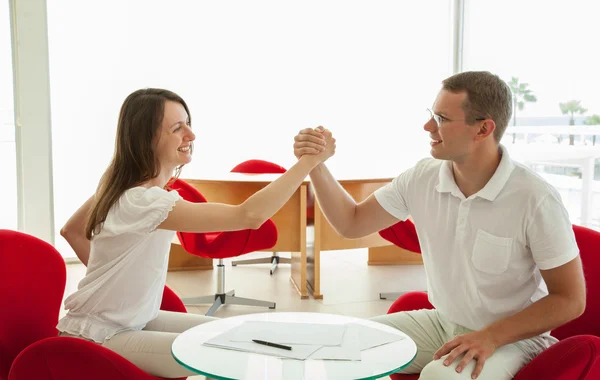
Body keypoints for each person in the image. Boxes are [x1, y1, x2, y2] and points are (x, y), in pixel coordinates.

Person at [292, 71, 586, 380]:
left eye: (442, 119)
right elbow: (351, 223)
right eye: (432, 115)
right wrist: (317, 165)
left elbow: (570, 299)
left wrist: (491, 337)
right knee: (336, 342)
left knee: (441, 376)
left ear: (483, 129)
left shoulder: (535, 198)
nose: (428, 126)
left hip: (514, 339)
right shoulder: (423, 176)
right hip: (443, 324)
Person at [58, 88, 333, 378]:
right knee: (231, 351)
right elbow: (249, 216)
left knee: (233, 332)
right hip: (101, 334)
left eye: (188, 124)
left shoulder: (120, 186)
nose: (191, 135)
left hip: (128, 320)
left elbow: (71, 230)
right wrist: (308, 162)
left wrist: (117, 287)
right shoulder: (144, 201)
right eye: (178, 128)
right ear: (147, 139)